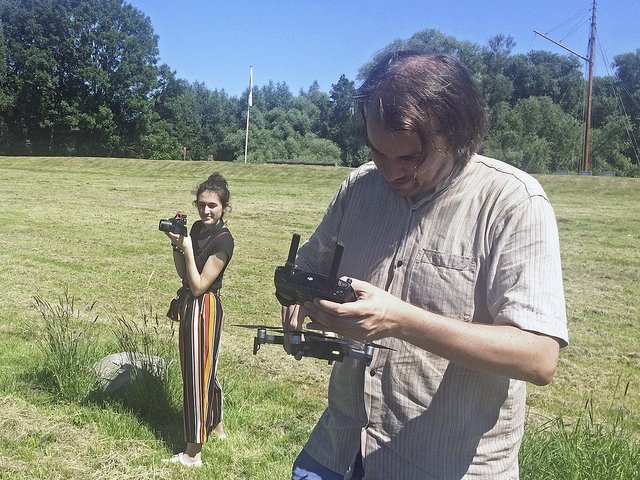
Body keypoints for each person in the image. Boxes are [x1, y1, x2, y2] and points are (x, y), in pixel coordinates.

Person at [283, 51, 569, 479]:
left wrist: (400, 320)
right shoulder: (360, 188)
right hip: (338, 450)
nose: (390, 171)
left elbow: (538, 357)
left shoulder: (512, 203)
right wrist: (298, 303)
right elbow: (307, 271)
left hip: (443, 463)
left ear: (457, 137)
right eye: (378, 151)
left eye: (410, 158)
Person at [162, 172, 234, 468]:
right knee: (207, 369)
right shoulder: (196, 228)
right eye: (202, 204)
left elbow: (198, 285)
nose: (206, 210)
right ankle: (216, 425)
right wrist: (177, 244)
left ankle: (193, 452)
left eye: (212, 206)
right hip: (193, 306)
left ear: (225, 208)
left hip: (204, 306)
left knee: (195, 375)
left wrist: (189, 249)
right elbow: (183, 272)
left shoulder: (224, 241)